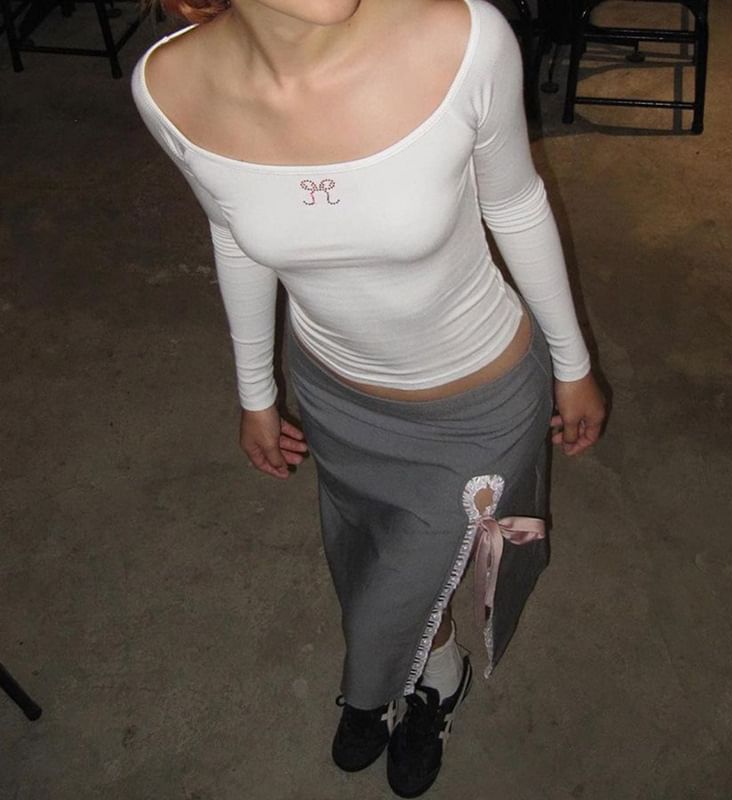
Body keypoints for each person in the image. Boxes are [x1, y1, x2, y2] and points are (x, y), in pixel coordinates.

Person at [131, 0, 606, 795]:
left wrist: (573, 362)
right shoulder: (167, 86)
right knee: (366, 552)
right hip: (336, 398)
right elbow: (235, 235)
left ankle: (400, 680)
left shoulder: (463, 40)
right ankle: (425, 665)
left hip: (476, 405)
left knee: (407, 575)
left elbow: (514, 203)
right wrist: (256, 392)